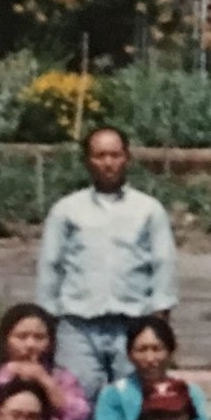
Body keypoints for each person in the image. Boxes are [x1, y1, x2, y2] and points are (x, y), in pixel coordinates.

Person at [36, 125, 180, 393]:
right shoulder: (66, 210)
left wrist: (159, 321)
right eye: (100, 156)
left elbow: (163, 264)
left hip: (133, 323)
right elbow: (50, 266)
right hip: (77, 326)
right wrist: (48, 321)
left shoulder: (148, 210)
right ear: (87, 161)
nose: (108, 163)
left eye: (115, 155)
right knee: (77, 404)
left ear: (127, 158)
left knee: (134, 400)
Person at [84, 315, 211, 420]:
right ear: (129, 354)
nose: (150, 359)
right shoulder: (114, 395)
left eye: (157, 349)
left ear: (171, 351)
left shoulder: (189, 392)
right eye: (142, 350)